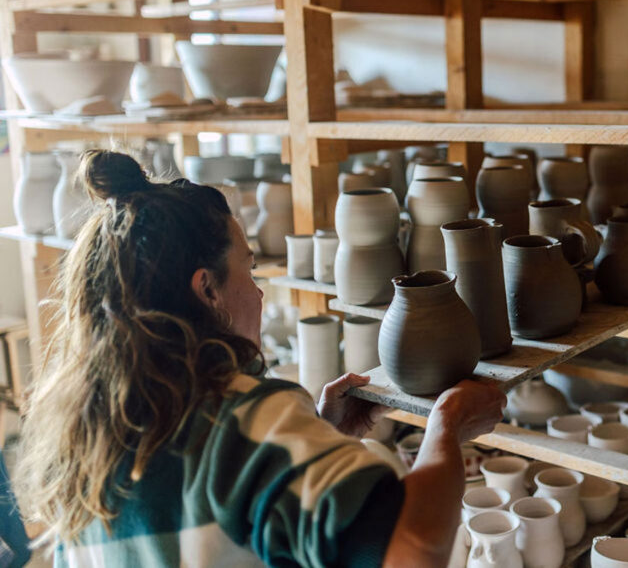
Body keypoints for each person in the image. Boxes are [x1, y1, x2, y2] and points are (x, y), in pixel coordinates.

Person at [13, 150, 506, 567]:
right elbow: (411, 551)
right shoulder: (245, 418)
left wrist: (314, 435)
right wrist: (447, 426)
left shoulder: (88, 433)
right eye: (248, 270)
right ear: (206, 289)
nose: (258, 293)